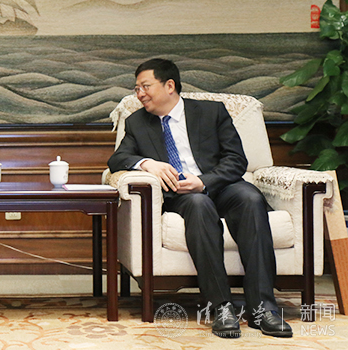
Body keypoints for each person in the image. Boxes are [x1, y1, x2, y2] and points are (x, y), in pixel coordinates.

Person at [108, 58, 292, 339]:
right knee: (198, 203)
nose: (140, 94)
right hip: (181, 194)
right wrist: (147, 163)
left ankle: (263, 309)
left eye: (145, 86)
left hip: (221, 185)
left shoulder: (211, 112)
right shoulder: (137, 122)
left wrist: (204, 181)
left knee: (250, 198)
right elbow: (117, 159)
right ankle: (222, 307)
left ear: (170, 86)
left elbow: (236, 160)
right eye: (137, 89)